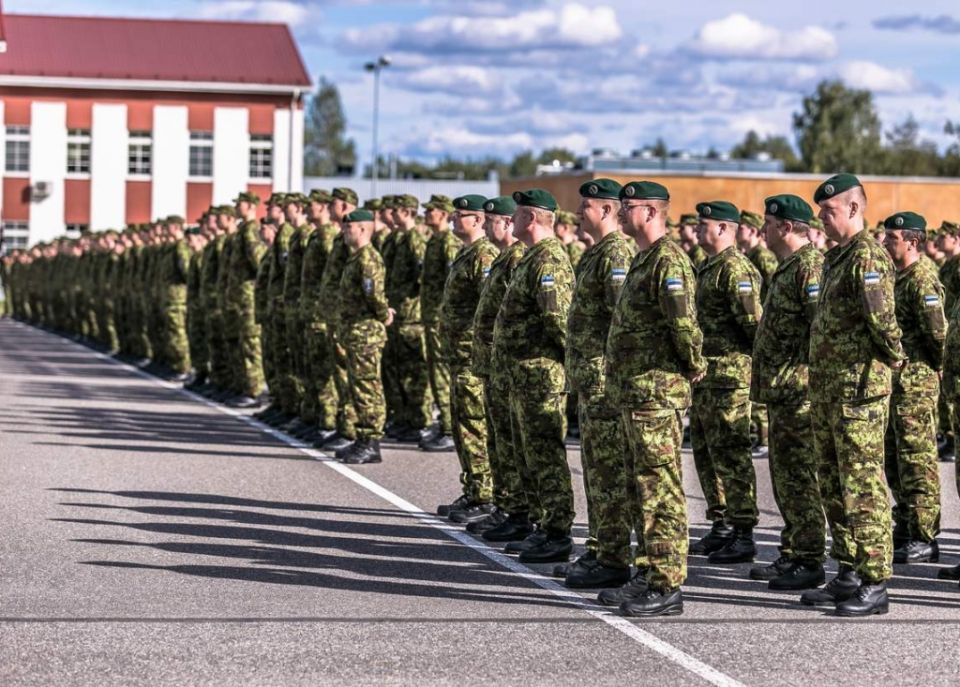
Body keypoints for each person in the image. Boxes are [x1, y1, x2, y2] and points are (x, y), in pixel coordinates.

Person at [803, 173, 905, 617]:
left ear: (853, 209)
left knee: (863, 487)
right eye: (821, 212)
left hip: (858, 391)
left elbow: (882, 323)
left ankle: (873, 579)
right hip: (829, 390)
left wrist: (894, 360)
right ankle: (847, 570)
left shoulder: (867, 256)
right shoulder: (836, 257)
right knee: (833, 485)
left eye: (828, 211)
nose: (823, 219)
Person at [603, 180, 705, 617]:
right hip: (636, 392)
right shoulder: (645, 259)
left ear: (648, 212)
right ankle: (648, 572)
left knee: (659, 489)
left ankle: (666, 584)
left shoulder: (668, 261)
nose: (620, 214)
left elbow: (683, 326)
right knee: (641, 487)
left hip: (656, 393)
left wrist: (692, 364)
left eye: (626, 208)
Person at [492, 189, 575, 564]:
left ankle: (557, 531)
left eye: (518, 214)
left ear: (531, 219)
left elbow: (558, 324)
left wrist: (561, 370)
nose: (511, 221)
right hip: (523, 375)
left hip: (542, 376)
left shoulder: (549, 260)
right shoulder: (531, 258)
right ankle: (540, 523)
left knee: (545, 454)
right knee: (529, 454)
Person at [748, 194, 826, 590]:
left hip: (800, 393)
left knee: (799, 477)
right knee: (786, 478)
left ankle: (809, 558)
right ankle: (794, 550)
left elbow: (820, 330)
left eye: (767, 223)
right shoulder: (789, 267)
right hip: (783, 392)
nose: (762, 230)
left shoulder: (809, 267)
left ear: (785, 227)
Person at [560, 179, 634, 589]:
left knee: (609, 473)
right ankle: (601, 547)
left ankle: (614, 556)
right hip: (592, 383)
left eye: (585, 206)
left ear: (606, 211)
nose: (577, 212)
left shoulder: (617, 255)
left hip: (607, 384)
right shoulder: (597, 254)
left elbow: (621, 323)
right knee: (596, 471)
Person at [688, 201, 763, 563]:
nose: (697, 231)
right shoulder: (708, 266)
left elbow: (754, 327)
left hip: (729, 379)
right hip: (706, 379)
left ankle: (743, 531)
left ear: (722, 229)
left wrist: (742, 368)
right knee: (707, 455)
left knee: (732, 455)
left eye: (704, 225)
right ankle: (721, 524)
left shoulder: (734, 269)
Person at [880, 212, 945, 564]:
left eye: (892, 238)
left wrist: (932, 367)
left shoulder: (922, 279)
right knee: (895, 458)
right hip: (895, 384)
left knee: (916, 459)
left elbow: (938, 335)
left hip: (915, 384)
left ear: (913, 241)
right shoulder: (896, 277)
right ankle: (904, 524)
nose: (886, 243)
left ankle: (924, 534)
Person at [438, 195, 500, 524]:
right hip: (458, 355)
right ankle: (474, 488)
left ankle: (484, 493)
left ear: (477, 221)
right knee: (462, 425)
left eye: (460, 215)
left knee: (474, 425)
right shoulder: (467, 254)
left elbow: (486, 308)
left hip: (471, 357)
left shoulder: (485, 255)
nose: (452, 219)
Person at [336, 209, 394, 464]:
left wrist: (384, 315)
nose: (344, 232)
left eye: (348, 228)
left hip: (366, 333)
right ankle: (362, 437)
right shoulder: (356, 257)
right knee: (358, 386)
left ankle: (371, 441)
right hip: (355, 332)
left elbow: (374, 295)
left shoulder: (367, 258)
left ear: (361, 229)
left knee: (367, 385)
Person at [420, 194, 459, 452]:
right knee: (435, 372)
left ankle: (448, 427)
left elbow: (452, 283)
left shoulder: (449, 243)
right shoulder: (434, 240)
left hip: (440, 317)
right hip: (430, 315)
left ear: (444, 214)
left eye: (431, 210)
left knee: (443, 373)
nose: (426, 214)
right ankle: (444, 423)